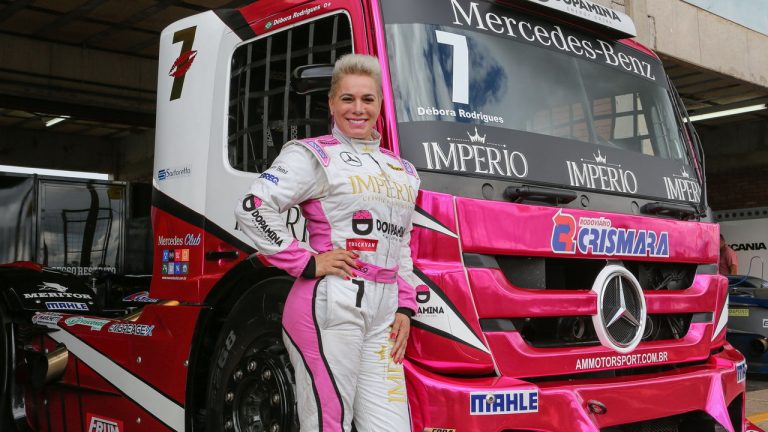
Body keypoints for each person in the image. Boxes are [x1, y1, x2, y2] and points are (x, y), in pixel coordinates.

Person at [235, 54, 420, 431]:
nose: (358, 108)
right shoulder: (313, 155)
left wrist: (405, 305)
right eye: (347, 98)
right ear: (332, 103)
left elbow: (401, 241)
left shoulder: (403, 170)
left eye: (367, 99)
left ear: (380, 106)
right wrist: (305, 260)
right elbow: (252, 207)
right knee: (327, 424)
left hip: (384, 314)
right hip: (331, 305)